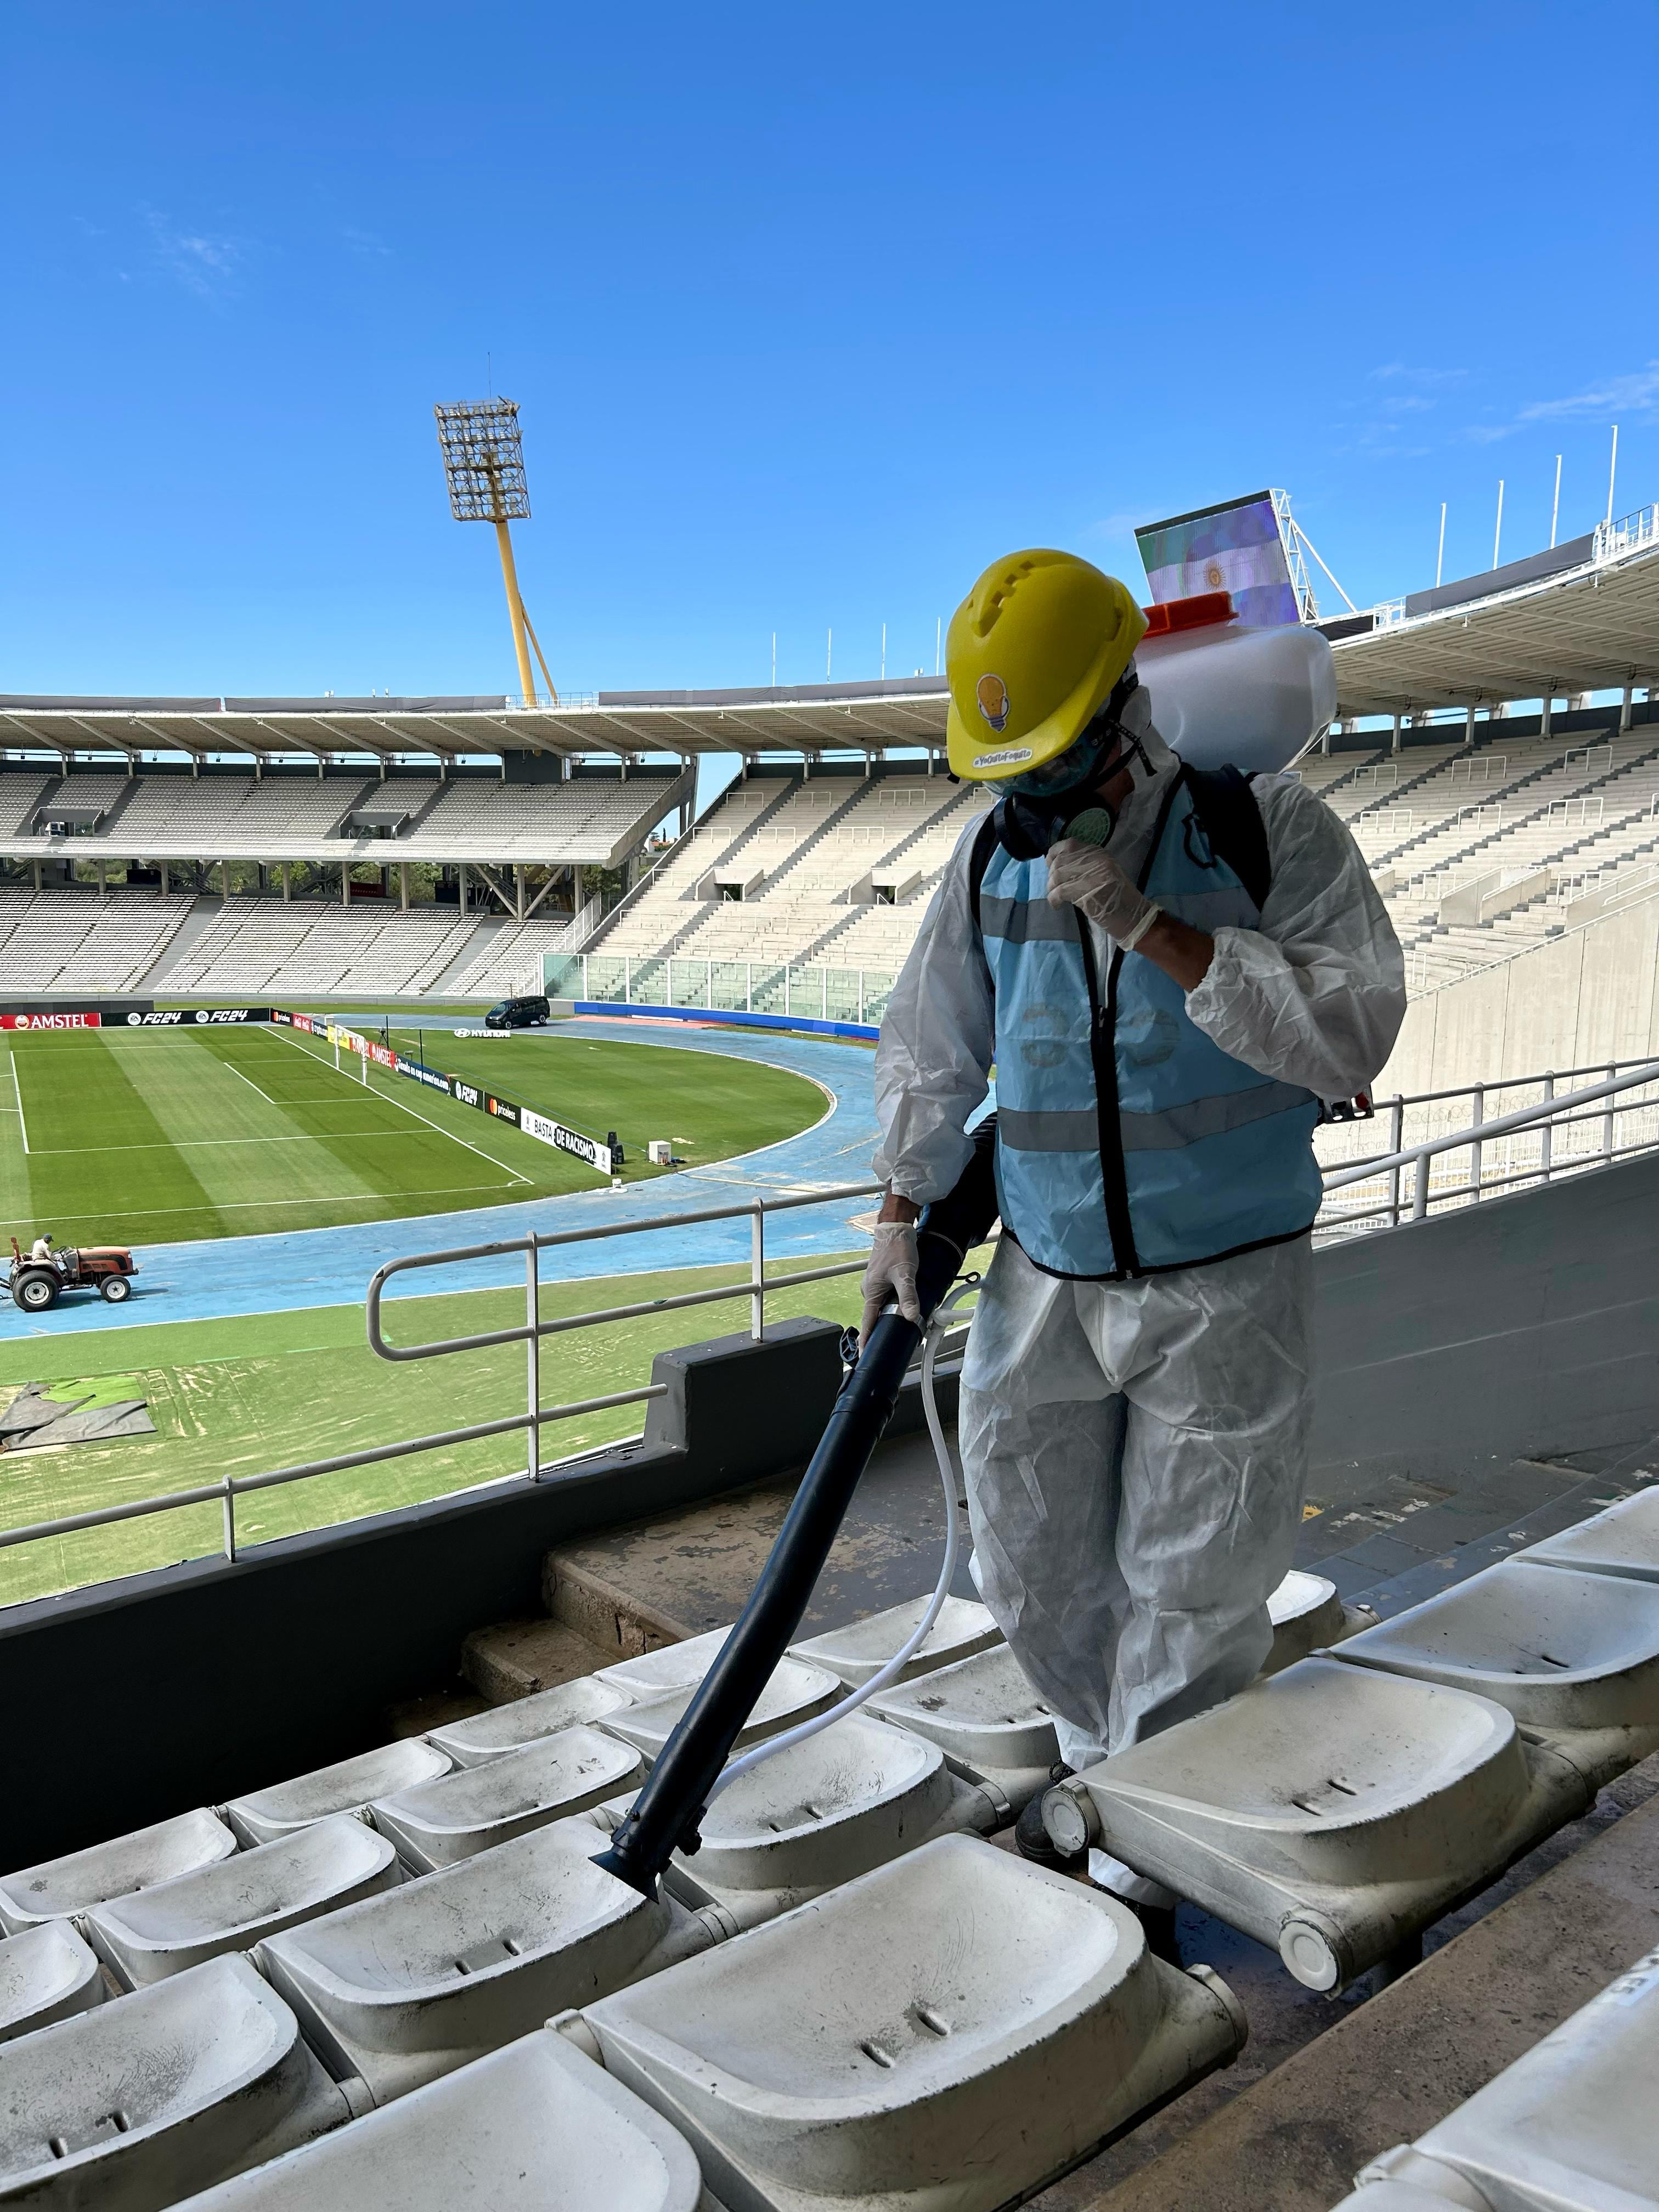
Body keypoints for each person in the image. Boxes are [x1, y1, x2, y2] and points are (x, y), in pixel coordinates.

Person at [861, 549, 1405, 1950]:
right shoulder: (992, 854)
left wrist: (1161, 931)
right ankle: (1111, 1781)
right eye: (1009, 775)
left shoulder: (1265, 824)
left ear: (1128, 709)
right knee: (1034, 1566)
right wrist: (900, 1202)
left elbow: (1350, 1033)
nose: (1029, 805)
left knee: (1195, 1583)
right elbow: (934, 1041)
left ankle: (1144, 1862)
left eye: (1048, 769)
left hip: (1220, 1287)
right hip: (1044, 1277)